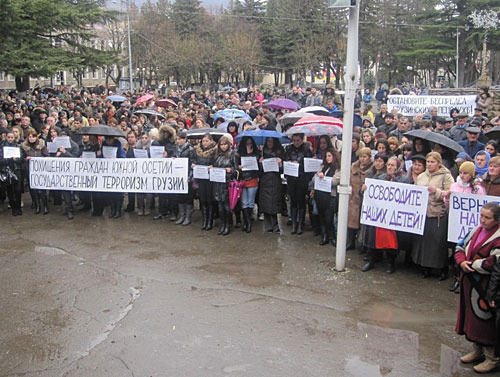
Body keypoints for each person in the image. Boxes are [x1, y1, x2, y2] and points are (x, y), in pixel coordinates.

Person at [456, 202, 500, 373]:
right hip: (470, 284)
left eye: (487, 217)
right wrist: (461, 262)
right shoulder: (476, 230)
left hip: (488, 287)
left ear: (496, 220)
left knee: (486, 321)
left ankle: (492, 358)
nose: (482, 220)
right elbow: (460, 245)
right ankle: (477, 350)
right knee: (472, 319)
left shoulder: (497, 237)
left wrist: (472, 265)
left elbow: (494, 262)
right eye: (481, 215)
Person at [363, 156, 412, 273]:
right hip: (379, 215)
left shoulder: (405, 180)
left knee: (391, 240)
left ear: (398, 167)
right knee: (374, 237)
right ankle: (371, 260)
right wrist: (364, 189)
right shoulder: (380, 178)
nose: (390, 167)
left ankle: (391, 263)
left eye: (392, 165)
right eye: (388, 165)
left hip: (393, 216)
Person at [413, 152, 454, 279]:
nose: (429, 164)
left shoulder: (446, 177)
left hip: (438, 214)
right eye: (428, 162)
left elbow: (450, 195)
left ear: (439, 163)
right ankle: (426, 267)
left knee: (437, 243)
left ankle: (442, 269)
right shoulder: (421, 176)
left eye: (432, 162)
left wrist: (436, 191)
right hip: (423, 213)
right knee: (424, 242)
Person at [284, 133, 314, 235]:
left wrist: (299, 165)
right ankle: (294, 224)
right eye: (294, 140)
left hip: (302, 178)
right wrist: (290, 163)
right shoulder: (289, 149)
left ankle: (300, 224)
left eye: (298, 140)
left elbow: (309, 165)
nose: (296, 142)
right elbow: (285, 161)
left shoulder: (306, 150)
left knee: (301, 201)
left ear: (302, 140)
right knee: (293, 201)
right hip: (291, 178)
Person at [347, 147, 374, 250]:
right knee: (351, 222)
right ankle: (351, 242)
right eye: (361, 156)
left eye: (365, 157)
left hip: (366, 200)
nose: (362, 159)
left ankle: (363, 245)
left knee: (364, 224)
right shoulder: (354, 166)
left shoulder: (372, 168)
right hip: (353, 198)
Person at [314, 149, 340, 246]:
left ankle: (332, 236)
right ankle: (324, 235)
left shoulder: (338, 168)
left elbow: (335, 181)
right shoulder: (323, 166)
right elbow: (314, 178)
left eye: (329, 156)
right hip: (320, 195)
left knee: (329, 217)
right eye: (326, 156)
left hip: (330, 196)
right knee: (322, 217)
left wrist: (323, 177)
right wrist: (318, 175)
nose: (327, 158)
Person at [259, 137, 284, 234]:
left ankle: (275, 225)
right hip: (265, 181)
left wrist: (280, 164)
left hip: (275, 180)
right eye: (268, 141)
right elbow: (259, 171)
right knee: (265, 203)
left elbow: (282, 171)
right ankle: (268, 225)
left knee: (273, 203)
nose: (270, 143)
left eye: (272, 141)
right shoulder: (262, 153)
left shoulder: (279, 152)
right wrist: (260, 164)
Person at [211, 136, 236, 236]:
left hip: (227, 183)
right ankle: (223, 224)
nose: (223, 146)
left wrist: (232, 170)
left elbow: (237, 168)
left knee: (227, 206)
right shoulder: (217, 155)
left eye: (225, 144)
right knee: (220, 206)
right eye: (221, 144)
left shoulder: (232, 155)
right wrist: (211, 168)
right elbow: (214, 166)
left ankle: (228, 225)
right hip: (218, 184)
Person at [21, 128, 49, 214]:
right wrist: (26, 159)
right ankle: (37, 205)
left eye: (33, 136)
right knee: (33, 189)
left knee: (42, 189)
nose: (31, 138)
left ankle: (45, 206)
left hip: (40, 169)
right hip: (29, 169)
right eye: (29, 137)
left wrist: (41, 159)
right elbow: (21, 158)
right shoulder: (24, 146)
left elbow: (47, 155)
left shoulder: (42, 144)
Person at [236, 136, 260, 233]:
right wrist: (238, 167)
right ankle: (246, 221)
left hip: (253, 178)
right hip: (242, 179)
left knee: (250, 201)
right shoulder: (239, 154)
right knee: (244, 202)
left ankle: (248, 222)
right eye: (247, 143)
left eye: (250, 143)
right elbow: (235, 165)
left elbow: (260, 167)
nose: (248, 145)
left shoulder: (257, 153)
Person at [174, 130, 196, 225]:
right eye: (177, 139)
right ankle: (182, 215)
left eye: (179, 139)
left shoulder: (190, 149)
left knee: (188, 197)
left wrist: (190, 176)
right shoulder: (176, 148)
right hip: (179, 175)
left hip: (187, 176)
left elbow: (193, 163)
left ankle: (188, 217)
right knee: (180, 197)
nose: (177, 141)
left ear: (185, 139)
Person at [0, 131, 24, 216]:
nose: (10, 139)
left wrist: (16, 159)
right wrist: (9, 159)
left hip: (17, 169)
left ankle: (18, 207)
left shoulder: (18, 146)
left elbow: (22, 159)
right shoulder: (2, 147)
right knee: (10, 191)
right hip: (7, 170)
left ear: (14, 138)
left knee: (18, 190)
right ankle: (14, 208)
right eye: (9, 137)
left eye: (12, 137)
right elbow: (1, 160)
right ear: (6, 137)